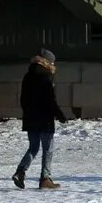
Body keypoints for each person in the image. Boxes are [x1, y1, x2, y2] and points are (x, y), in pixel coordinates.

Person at [13, 48, 67, 190]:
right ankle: (45, 178)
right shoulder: (46, 77)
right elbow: (50, 100)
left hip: (31, 119)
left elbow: (23, 100)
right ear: (48, 62)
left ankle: (20, 171)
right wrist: (59, 114)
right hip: (45, 119)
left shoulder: (28, 76)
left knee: (33, 147)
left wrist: (29, 113)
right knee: (48, 149)